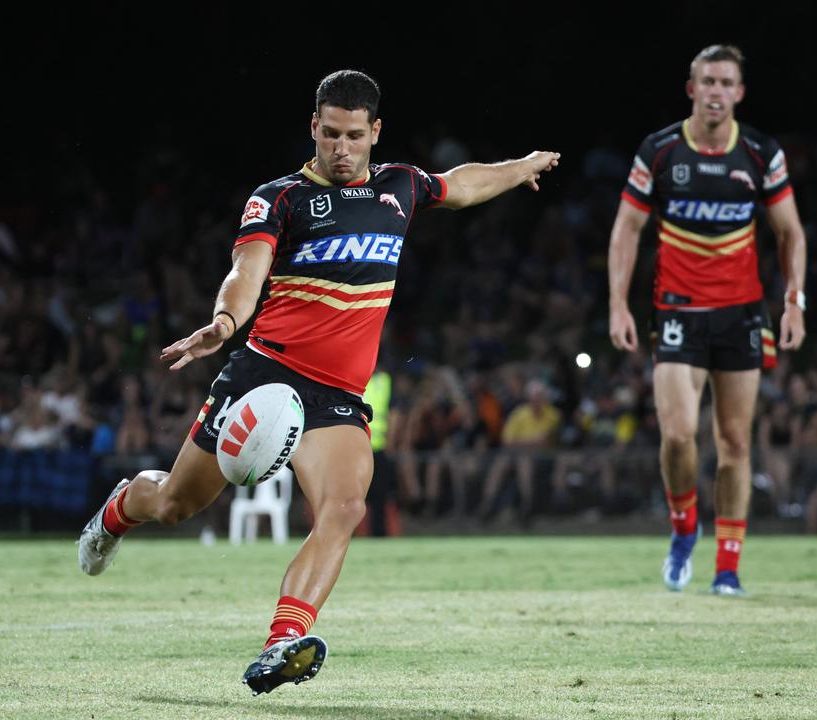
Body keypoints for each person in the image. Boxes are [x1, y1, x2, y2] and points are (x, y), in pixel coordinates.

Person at [78, 69, 559, 694]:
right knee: (176, 504)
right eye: (329, 134)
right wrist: (225, 320)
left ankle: (281, 643)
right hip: (263, 374)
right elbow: (245, 269)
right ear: (313, 127)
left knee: (345, 507)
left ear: (375, 132)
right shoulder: (278, 198)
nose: (340, 148)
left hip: (337, 395)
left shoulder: (400, 188)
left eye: (354, 136)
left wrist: (518, 167)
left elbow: (462, 186)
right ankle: (117, 512)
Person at [607, 45, 807, 596]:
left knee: (736, 444)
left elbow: (790, 232)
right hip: (677, 310)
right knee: (677, 438)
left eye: (727, 82)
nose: (717, 91)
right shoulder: (662, 149)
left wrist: (794, 301)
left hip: (742, 314)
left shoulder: (762, 153)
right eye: (708, 81)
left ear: (739, 92)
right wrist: (617, 303)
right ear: (691, 88)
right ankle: (682, 528)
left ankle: (727, 566)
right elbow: (627, 228)